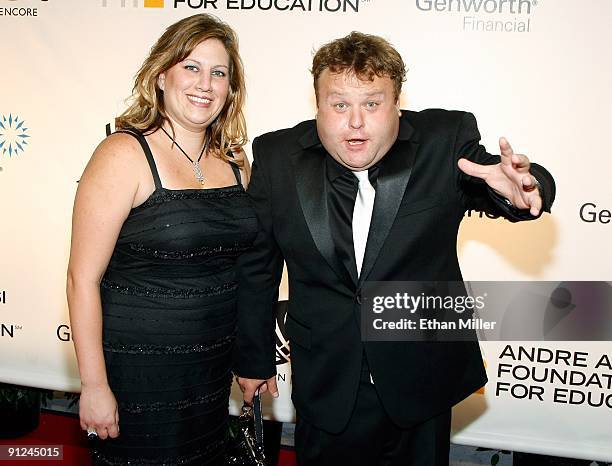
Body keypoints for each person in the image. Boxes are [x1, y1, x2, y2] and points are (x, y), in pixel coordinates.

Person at [234, 32, 555, 466]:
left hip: (421, 377)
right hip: (328, 380)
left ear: (397, 103)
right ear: (317, 104)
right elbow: (258, 268)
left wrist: (524, 190)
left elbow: (502, 182)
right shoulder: (276, 156)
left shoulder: (444, 141)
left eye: (372, 103)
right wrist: (253, 358)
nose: (355, 122)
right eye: (339, 104)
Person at [66, 14, 257, 466]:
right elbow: (81, 278)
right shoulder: (123, 154)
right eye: (191, 67)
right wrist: (94, 385)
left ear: (231, 88)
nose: (205, 84)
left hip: (209, 376)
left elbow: (246, 270)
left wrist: (251, 360)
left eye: (219, 73)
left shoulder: (235, 162)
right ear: (160, 76)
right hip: (138, 376)